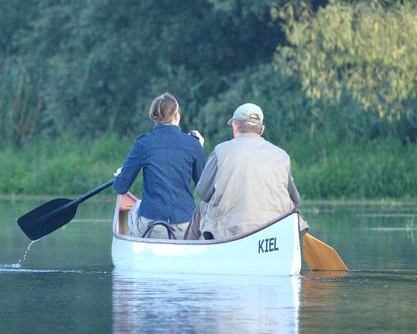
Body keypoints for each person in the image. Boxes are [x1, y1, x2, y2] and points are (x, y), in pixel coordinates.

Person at [189, 102, 305, 240]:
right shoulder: (282, 156)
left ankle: (185, 254)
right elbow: (296, 199)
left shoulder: (220, 151)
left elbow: (202, 192)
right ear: (261, 129)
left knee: (203, 206)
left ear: (235, 126)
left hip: (230, 233)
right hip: (274, 235)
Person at [113, 93, 206, 239]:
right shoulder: (193, 144)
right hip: (186, 226)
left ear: (153, 116)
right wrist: (199, 148)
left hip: (153, 225)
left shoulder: (143, 143)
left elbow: (120, 187)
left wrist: (120, 175)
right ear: (177, 115)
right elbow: (204, 189)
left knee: (134, 209)